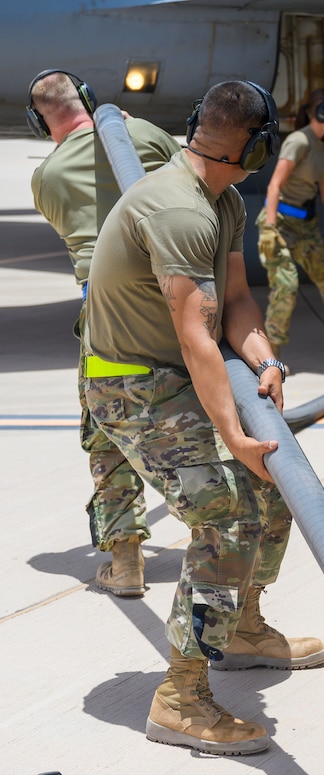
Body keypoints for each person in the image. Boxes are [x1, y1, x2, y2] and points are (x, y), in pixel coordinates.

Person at [84, 80, 324, 755]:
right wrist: (232, 433)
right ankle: (180, 698)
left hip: (169, 372)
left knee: (270, 481)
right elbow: (195, 335)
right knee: (226, 512)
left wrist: (265, 356)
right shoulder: (178, 210)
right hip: (128, 383)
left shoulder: (223, 200)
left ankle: (242, 625)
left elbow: (238, 301)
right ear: (253, 145)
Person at [28, 69, 182, 596]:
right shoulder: (145, 137)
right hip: (176, 302)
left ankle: (126, 560)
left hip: (108, 320)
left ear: (39, 121)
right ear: (92, 100)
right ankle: (225, 545)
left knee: (108, 434)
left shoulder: (45, 178)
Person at [256, 87, 324, 365]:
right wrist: (270, 228)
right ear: (322, 112)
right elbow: (275, 185)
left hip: (307, 226)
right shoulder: (299, 142)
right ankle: (273, 351)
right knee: (286, 285)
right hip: (280, 223)